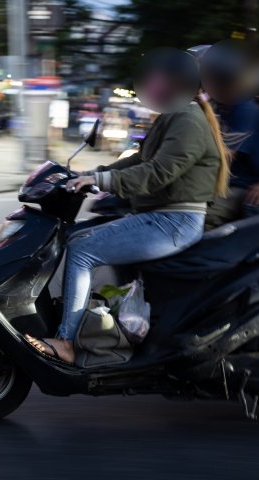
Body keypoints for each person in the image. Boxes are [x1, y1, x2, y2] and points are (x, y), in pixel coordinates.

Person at [23, 93, 230, 365]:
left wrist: (101, 179)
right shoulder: (175, 115)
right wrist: (88, 175)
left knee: (81, 251)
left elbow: (158, 172)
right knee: (76, 235)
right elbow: (138, 161)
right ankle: (97, 326)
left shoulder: (187, 118)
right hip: (162, 216)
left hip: (173, 221)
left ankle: (66, 342)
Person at [204, 96, 259, 229]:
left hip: (243, 184)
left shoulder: (245, 109)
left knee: (204, 216)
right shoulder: (218, 106)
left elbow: (226, 155)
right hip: (224, 180)